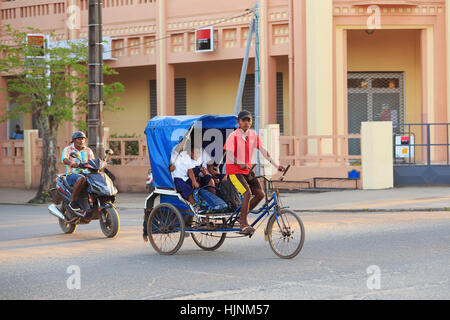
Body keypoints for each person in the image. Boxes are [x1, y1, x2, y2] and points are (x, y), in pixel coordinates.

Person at [224, 110, 285, 235]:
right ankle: (243, 223)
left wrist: (276, 164)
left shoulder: (253, 135)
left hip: (247, 170)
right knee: (247, 193)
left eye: (249, 120)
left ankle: (242, 214)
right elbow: (229, 154)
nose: (246, 123)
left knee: (260, 194)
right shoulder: (233, 136)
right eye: (244, 120)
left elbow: (264, 151)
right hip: (234, 171)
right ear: (238, 122)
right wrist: (239, 162)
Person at [61, 131, 95, 216]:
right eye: (79, 139)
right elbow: (64, 159)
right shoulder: (68, 149)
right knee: (81, 178)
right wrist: (71, 163)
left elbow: (92, 161)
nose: (81, 141)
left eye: (83, 139)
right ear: (74, 140)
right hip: (72, 174)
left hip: (87, 173)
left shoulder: (88, 150)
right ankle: (72, 202)